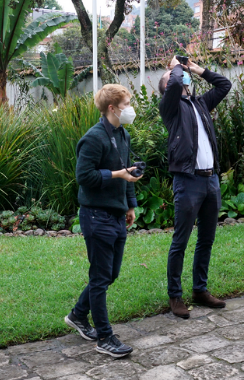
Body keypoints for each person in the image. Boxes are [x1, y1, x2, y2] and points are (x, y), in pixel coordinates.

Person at [64, 84, 140, 358]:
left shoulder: (123, 134)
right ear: (112, 108)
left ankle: (78, 315)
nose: (130, 108)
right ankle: (105, 337)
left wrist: (130, 204)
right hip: (96, 216)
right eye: (127, 103)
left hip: (117, 214)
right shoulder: (93, 138)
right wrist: (116, 175)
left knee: (110, 274)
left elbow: (127, 169)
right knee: (99, 277)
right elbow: (84, 177)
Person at [158, 56, 231, 319]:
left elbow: (224, 85)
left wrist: (198, 69)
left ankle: (200, 290)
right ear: (168, 87)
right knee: (181, 240)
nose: (183, 78)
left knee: (206, 239)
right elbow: (175, 82)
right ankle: (175, 296)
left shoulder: (200, 103)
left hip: (210, 180)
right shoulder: (170, 107)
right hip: (187, 181)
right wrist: (176, 66)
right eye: (177, 78)